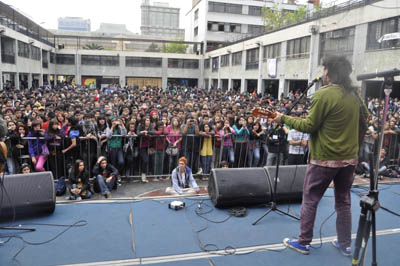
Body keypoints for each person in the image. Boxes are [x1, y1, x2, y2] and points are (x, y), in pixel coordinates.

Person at [274, 55, 368, 256]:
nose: (323, 73)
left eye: (324, 69)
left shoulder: (323, 95)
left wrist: (284, 118)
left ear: (329, 72)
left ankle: (304, 242)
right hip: (349, 158)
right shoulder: (355, 95)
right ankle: (345, 244)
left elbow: (309, 126)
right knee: (343, 200)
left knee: (311, 199)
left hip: (324, 158)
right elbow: (365, 119)